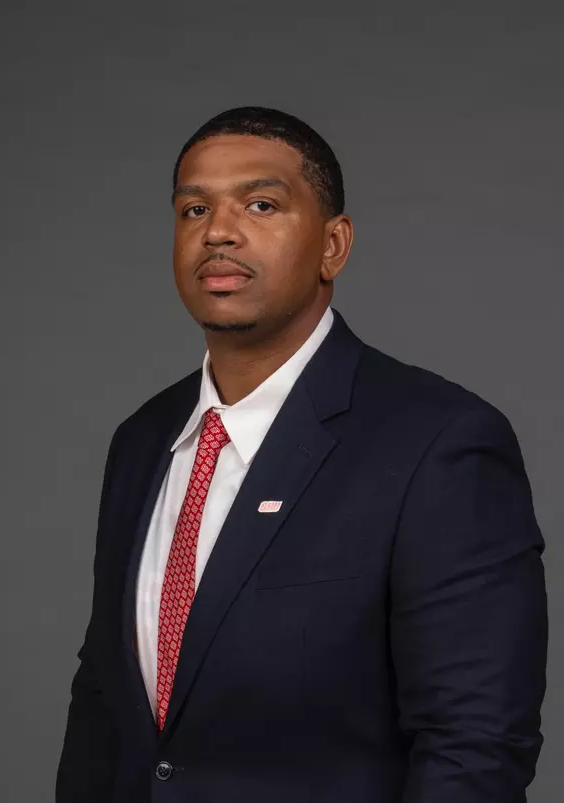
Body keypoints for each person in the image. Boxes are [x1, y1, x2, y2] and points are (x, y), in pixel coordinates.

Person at [56, 106, 548, 803]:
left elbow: (476, 744)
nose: (218, 231)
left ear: (333, 245)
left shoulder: (438, 442)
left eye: (260, 204)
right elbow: (104, 701)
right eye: (194, 209)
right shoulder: (142, 439)